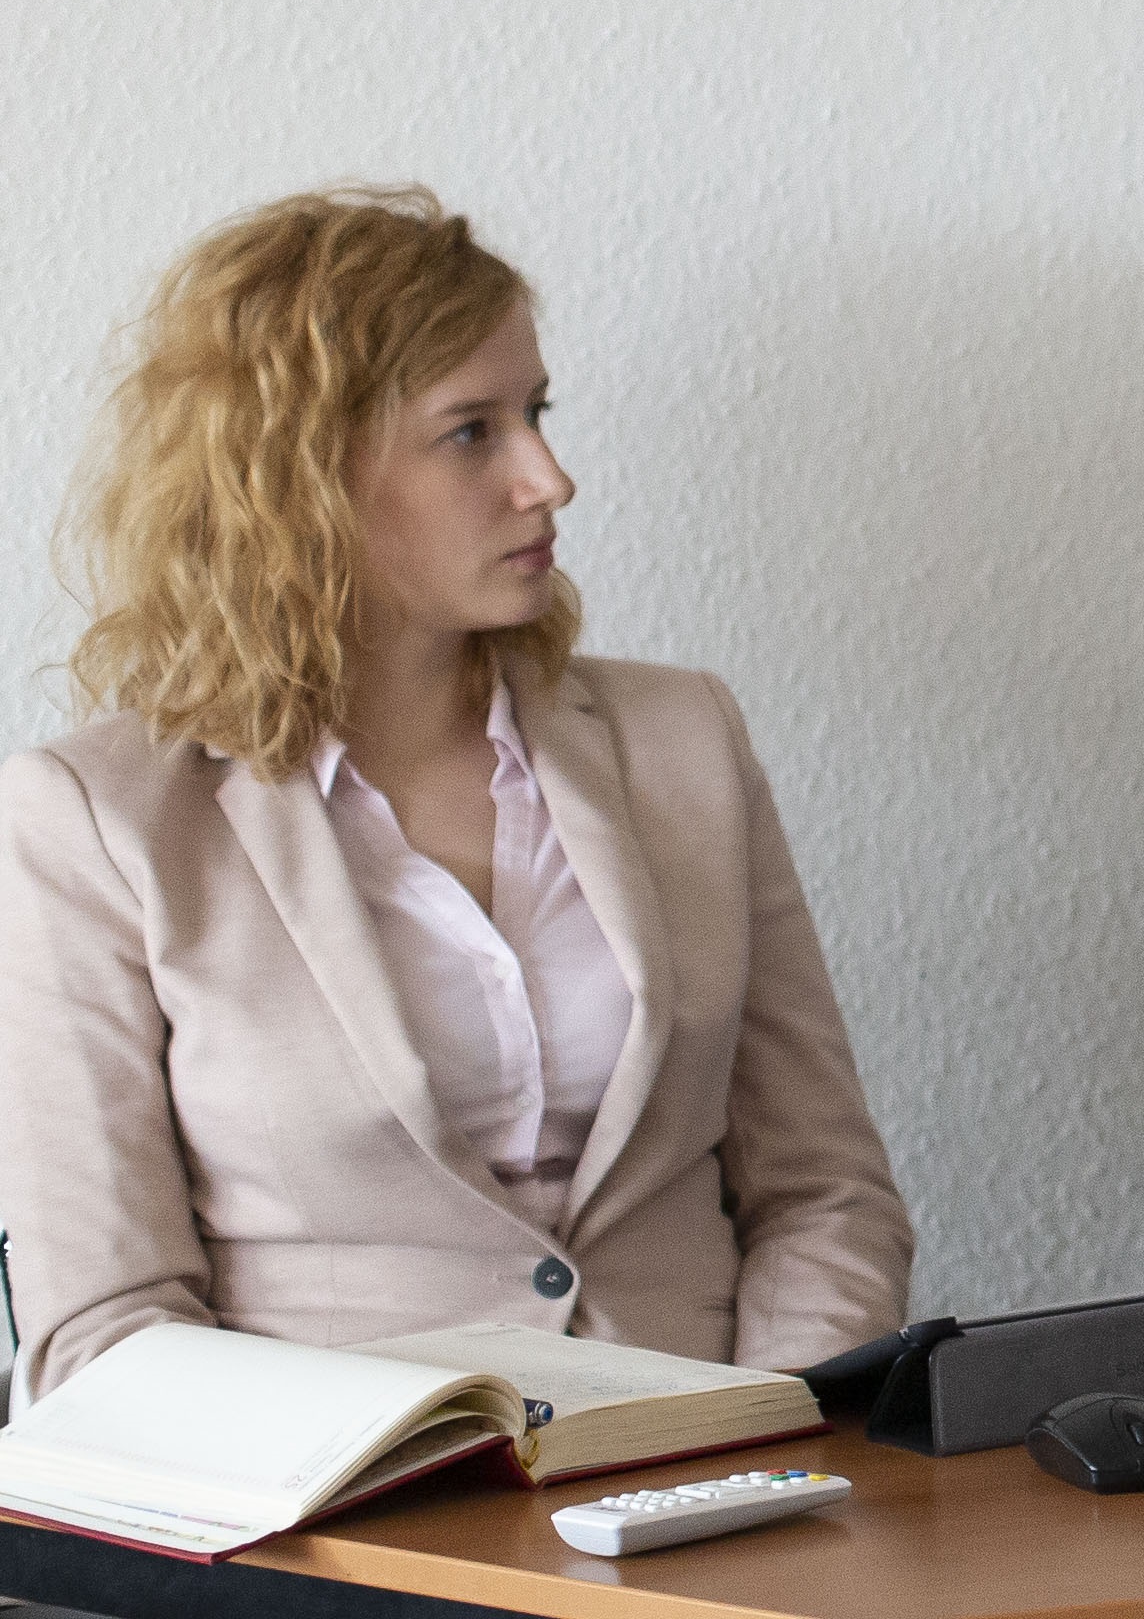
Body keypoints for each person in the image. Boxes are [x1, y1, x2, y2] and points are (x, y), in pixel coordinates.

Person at [0, 189, 915, 1402]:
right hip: (325, 1536)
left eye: (534, 413)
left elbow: (826, 1195)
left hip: (710, 1502)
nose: (551, 478)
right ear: (300, 477)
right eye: (471, 432)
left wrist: (764, 1432)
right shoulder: (97, 820)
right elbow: (101, 1324)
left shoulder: (684, 738)